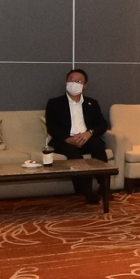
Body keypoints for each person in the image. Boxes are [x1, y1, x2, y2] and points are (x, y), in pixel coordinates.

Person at [44, 69, 111, 202]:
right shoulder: (54, 103)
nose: (74, 83)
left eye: (79, 81)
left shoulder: (92, 103)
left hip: (86, 138)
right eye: (71, 80)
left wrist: (89, 133)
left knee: (98, 145)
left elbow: (102, 124)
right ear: (66, 82)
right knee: (73, 152)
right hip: (64, 141)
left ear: (85, 86)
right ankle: (86, 191)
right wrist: (68, 139)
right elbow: (52, 127)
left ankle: (104, 186)